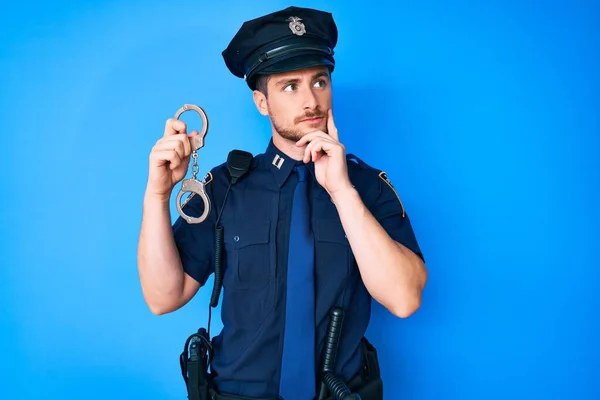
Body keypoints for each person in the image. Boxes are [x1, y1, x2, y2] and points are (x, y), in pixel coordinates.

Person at [137, 5, 428, 400]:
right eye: (290, 86)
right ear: (262, 102)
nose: (311, 100)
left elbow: (405, 298)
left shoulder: (366, 187)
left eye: (320, 81)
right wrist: (158, 194)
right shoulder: (225, 188)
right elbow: (162, 297)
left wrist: (342, 193)